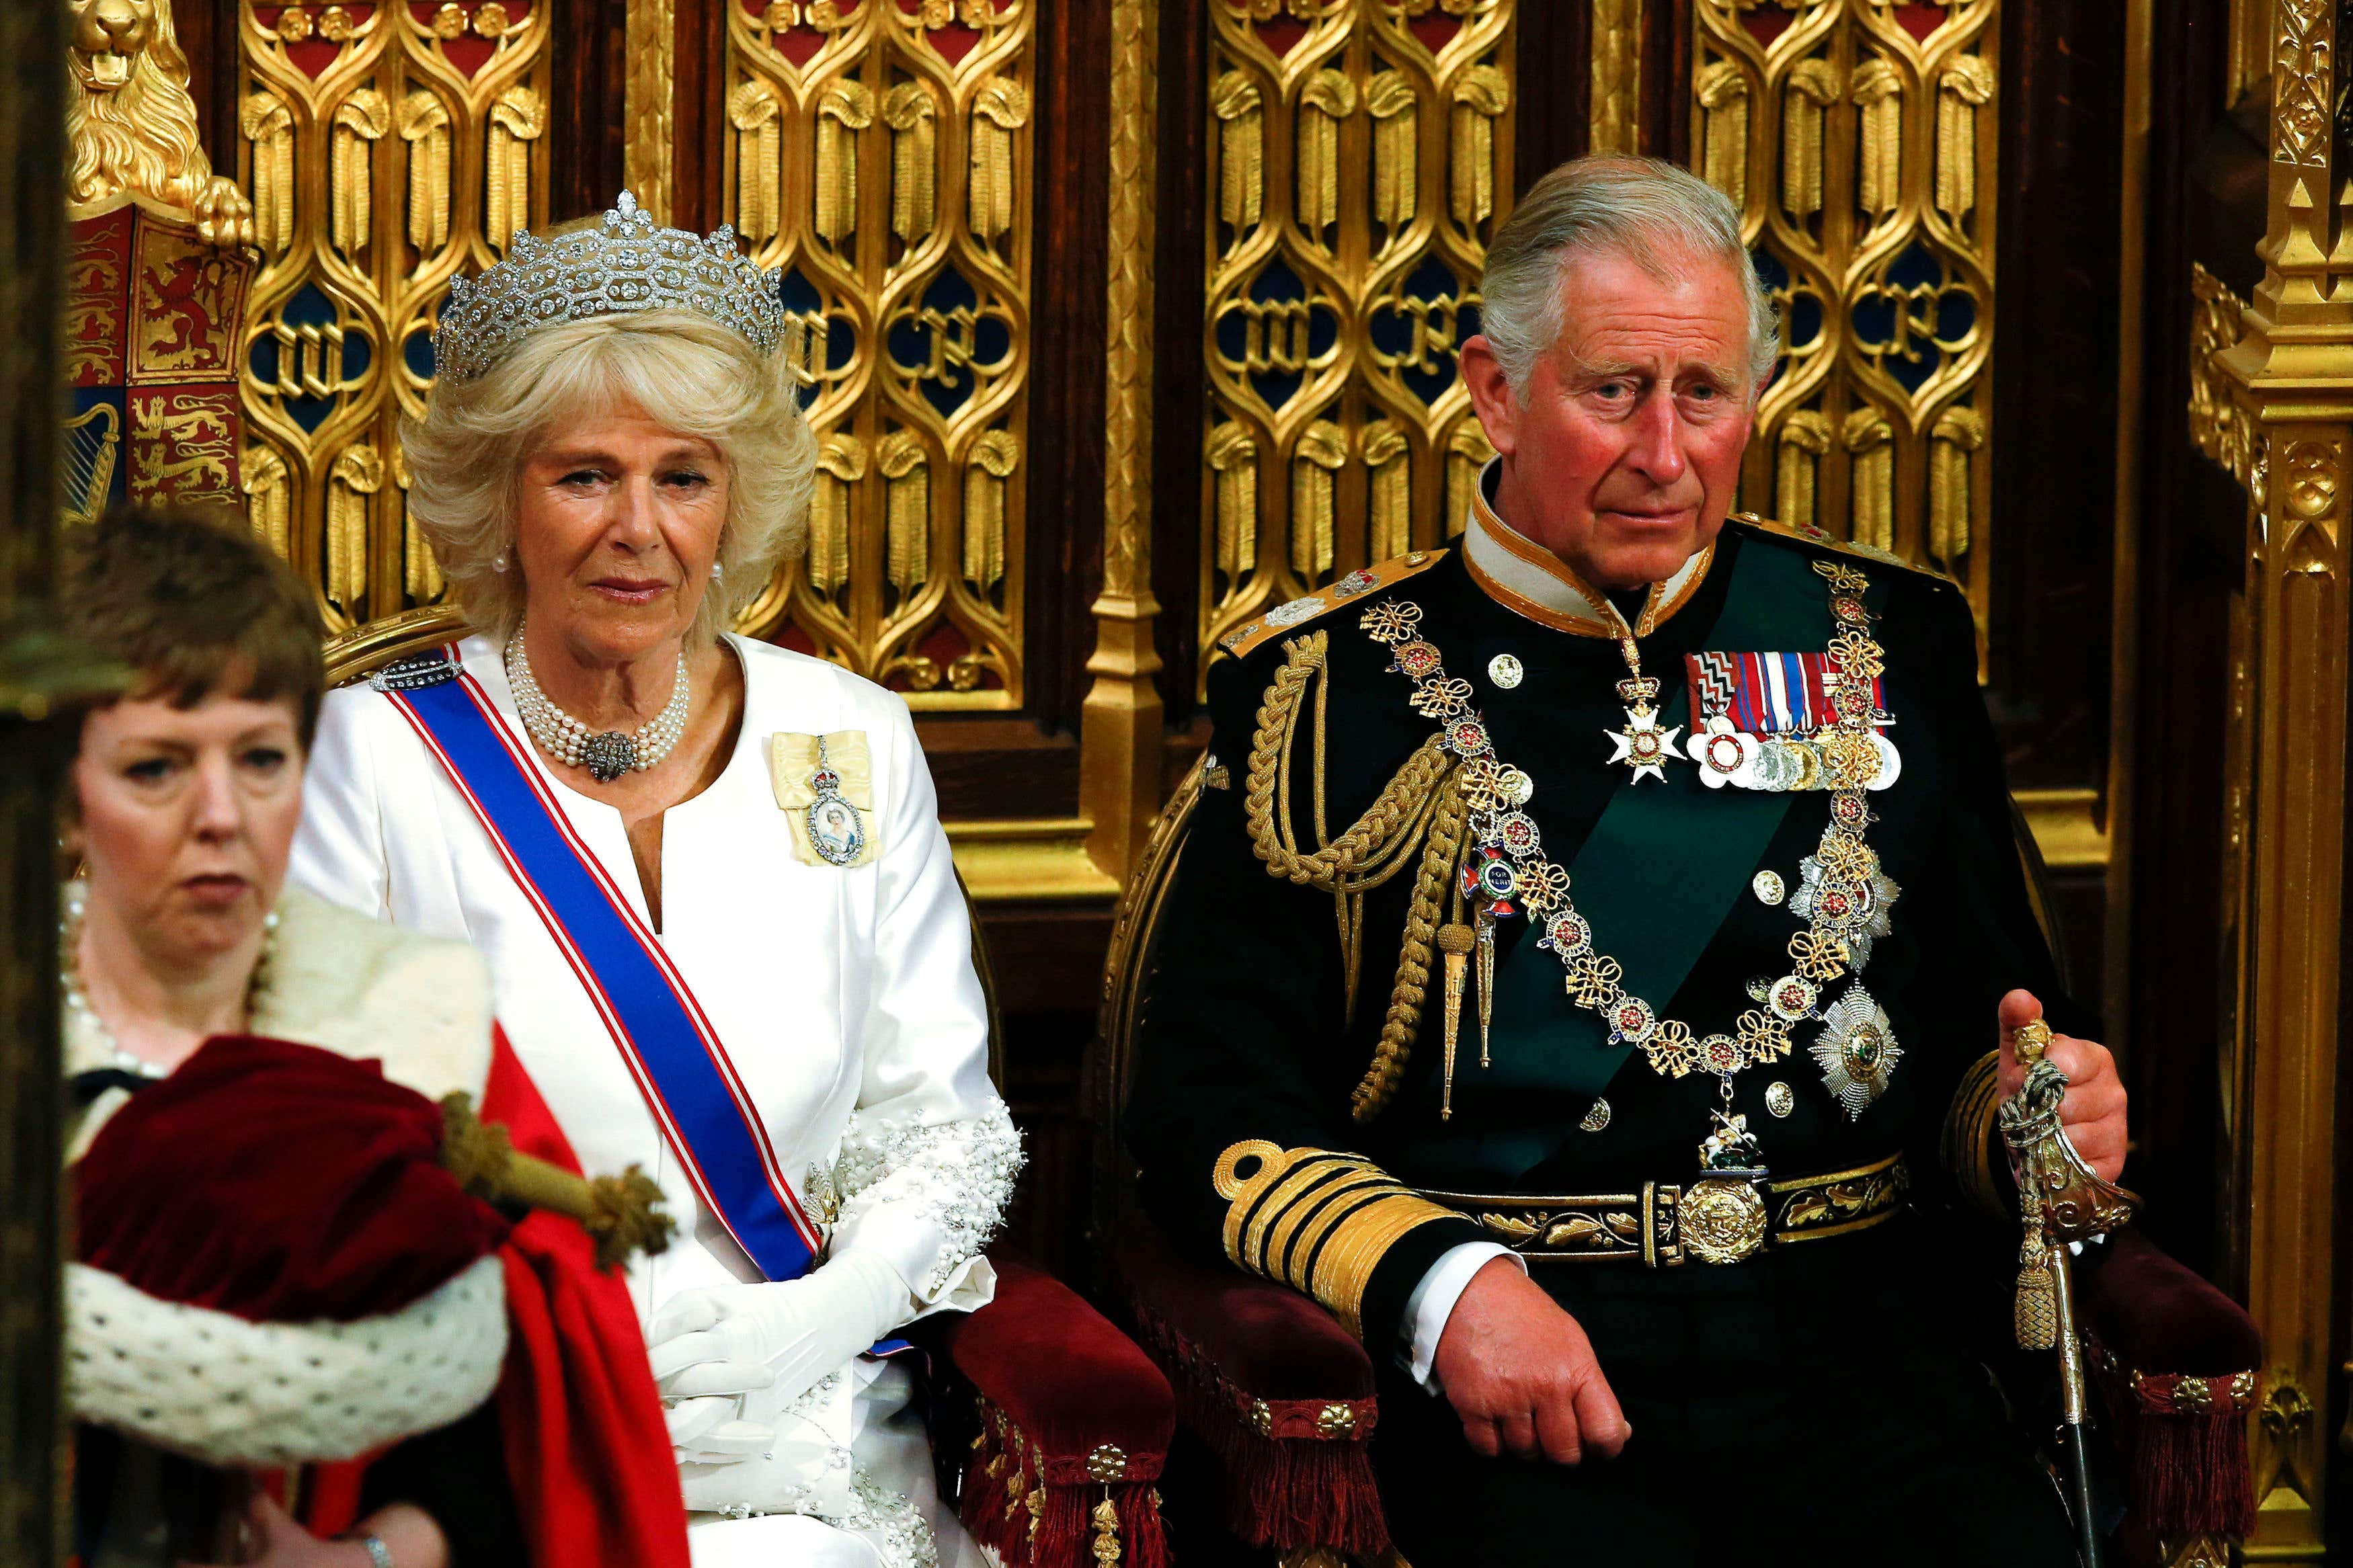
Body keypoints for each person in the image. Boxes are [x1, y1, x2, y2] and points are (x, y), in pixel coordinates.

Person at [1123, 155, 2130, 1566]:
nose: (1664, 453)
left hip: (1861, 1372)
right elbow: (1204, 1114)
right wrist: (1445, 1290)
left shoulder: (1882, 643)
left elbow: (1982, 1035)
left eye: (1703, 395)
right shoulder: (1325, 693)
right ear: (1493, 388)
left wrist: (2042, 1110)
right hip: (1528, 1384)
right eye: (1613, 393)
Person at [290, 193, 1021, 1568]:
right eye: (584, 475)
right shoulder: (366, 766)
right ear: (497, 498)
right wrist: (562, 1353)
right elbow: (329, 1165)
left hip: (806, 1432)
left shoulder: (848, 738)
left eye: (683, 477)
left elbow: (943, 1122)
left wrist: (817, 1315)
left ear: (734, 502)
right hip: (504, 1427)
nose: (638, 527)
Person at [58, 505, 688, 1568]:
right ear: (61, 796)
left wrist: (364, 1558)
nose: (222, 815)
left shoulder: (415, 1021)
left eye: (261, 760)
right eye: (157, 769)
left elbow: (531, 1453)